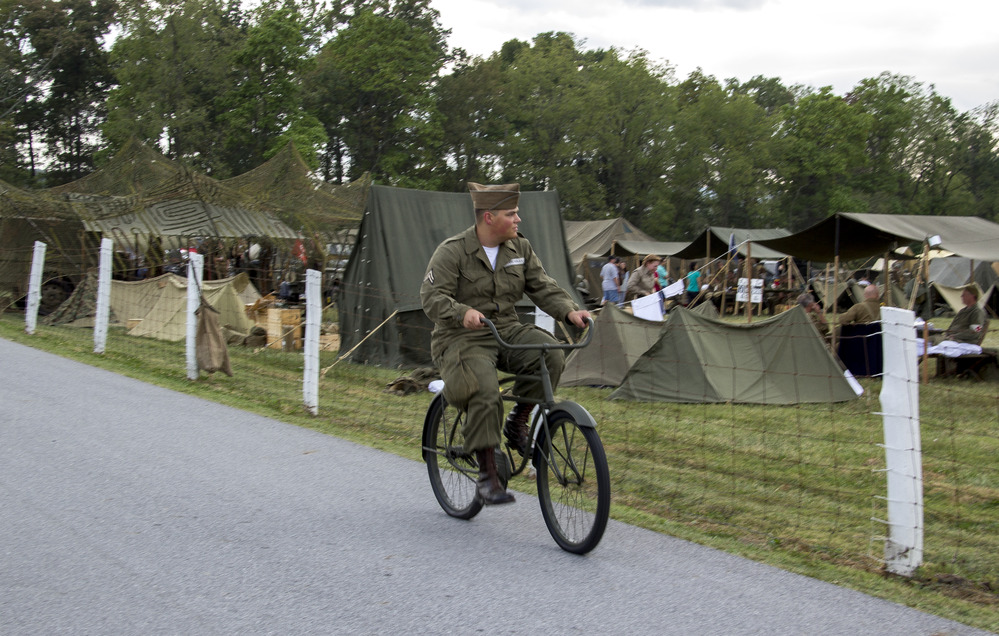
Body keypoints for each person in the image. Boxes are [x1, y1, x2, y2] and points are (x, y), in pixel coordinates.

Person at [420, 182, 591, 506]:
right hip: (460, 336)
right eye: (511, 214)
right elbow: (431, 297)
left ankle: (518, 420)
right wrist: (462, 312)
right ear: (488, 217)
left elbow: (542, 286)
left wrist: (569, 311)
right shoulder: (453, 250)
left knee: (549, 355)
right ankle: (487, 477)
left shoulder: (520, 249)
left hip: (506, 329)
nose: (518, 219)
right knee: (483, 388)